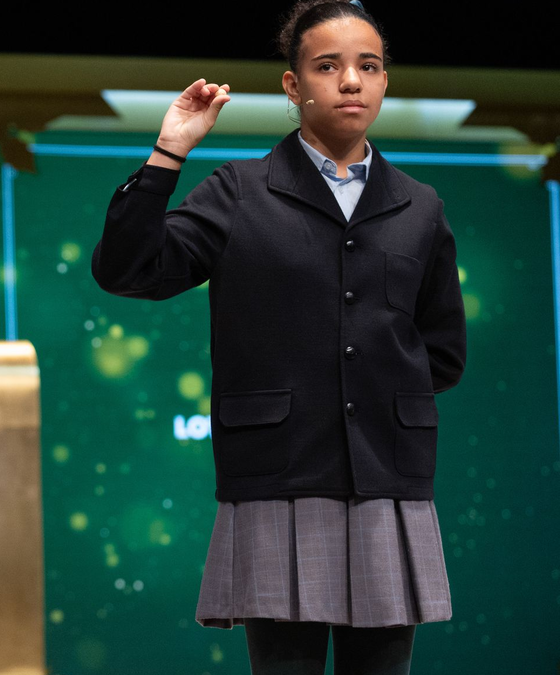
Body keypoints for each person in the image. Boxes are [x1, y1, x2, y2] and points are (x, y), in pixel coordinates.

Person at [91, 1, 465, 673]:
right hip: (278, 477)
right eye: (328, 66)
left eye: (368, 66)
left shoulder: (421, 205)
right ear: (293, 85)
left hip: (386, 478)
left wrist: (376, 400)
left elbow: (442, 352)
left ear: (384, 81)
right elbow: (129, 270)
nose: (350, 81)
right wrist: (169, 151)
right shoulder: (240, 190)